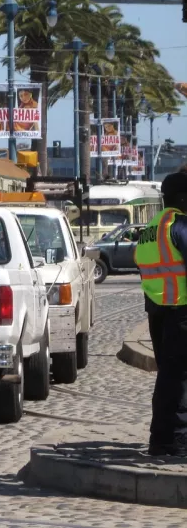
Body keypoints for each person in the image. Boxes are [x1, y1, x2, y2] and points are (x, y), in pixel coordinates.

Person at [135, 166, 187, 456]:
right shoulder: (179, 226)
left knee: (167, 377)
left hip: (157, 313)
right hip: (181, 311)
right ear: (182, 199)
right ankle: (178, 440)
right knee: (179, 378)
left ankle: (161, 439)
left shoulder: (151, 228)